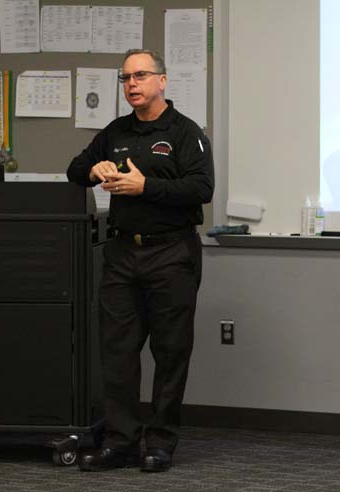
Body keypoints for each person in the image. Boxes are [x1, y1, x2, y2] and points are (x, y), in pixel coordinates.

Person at [66, 48, 214, 472]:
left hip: (171, 253)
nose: (132, 84)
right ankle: (120, 440)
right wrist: (95, 172)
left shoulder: (187, 133)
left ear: (162, 82)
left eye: (141, 76)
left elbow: (202, 188)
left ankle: (160, 442)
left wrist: (145, 186)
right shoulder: (115, 131)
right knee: (117, 353)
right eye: (126, 78)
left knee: (170, 353)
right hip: (122, 255)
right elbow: (75, 168)